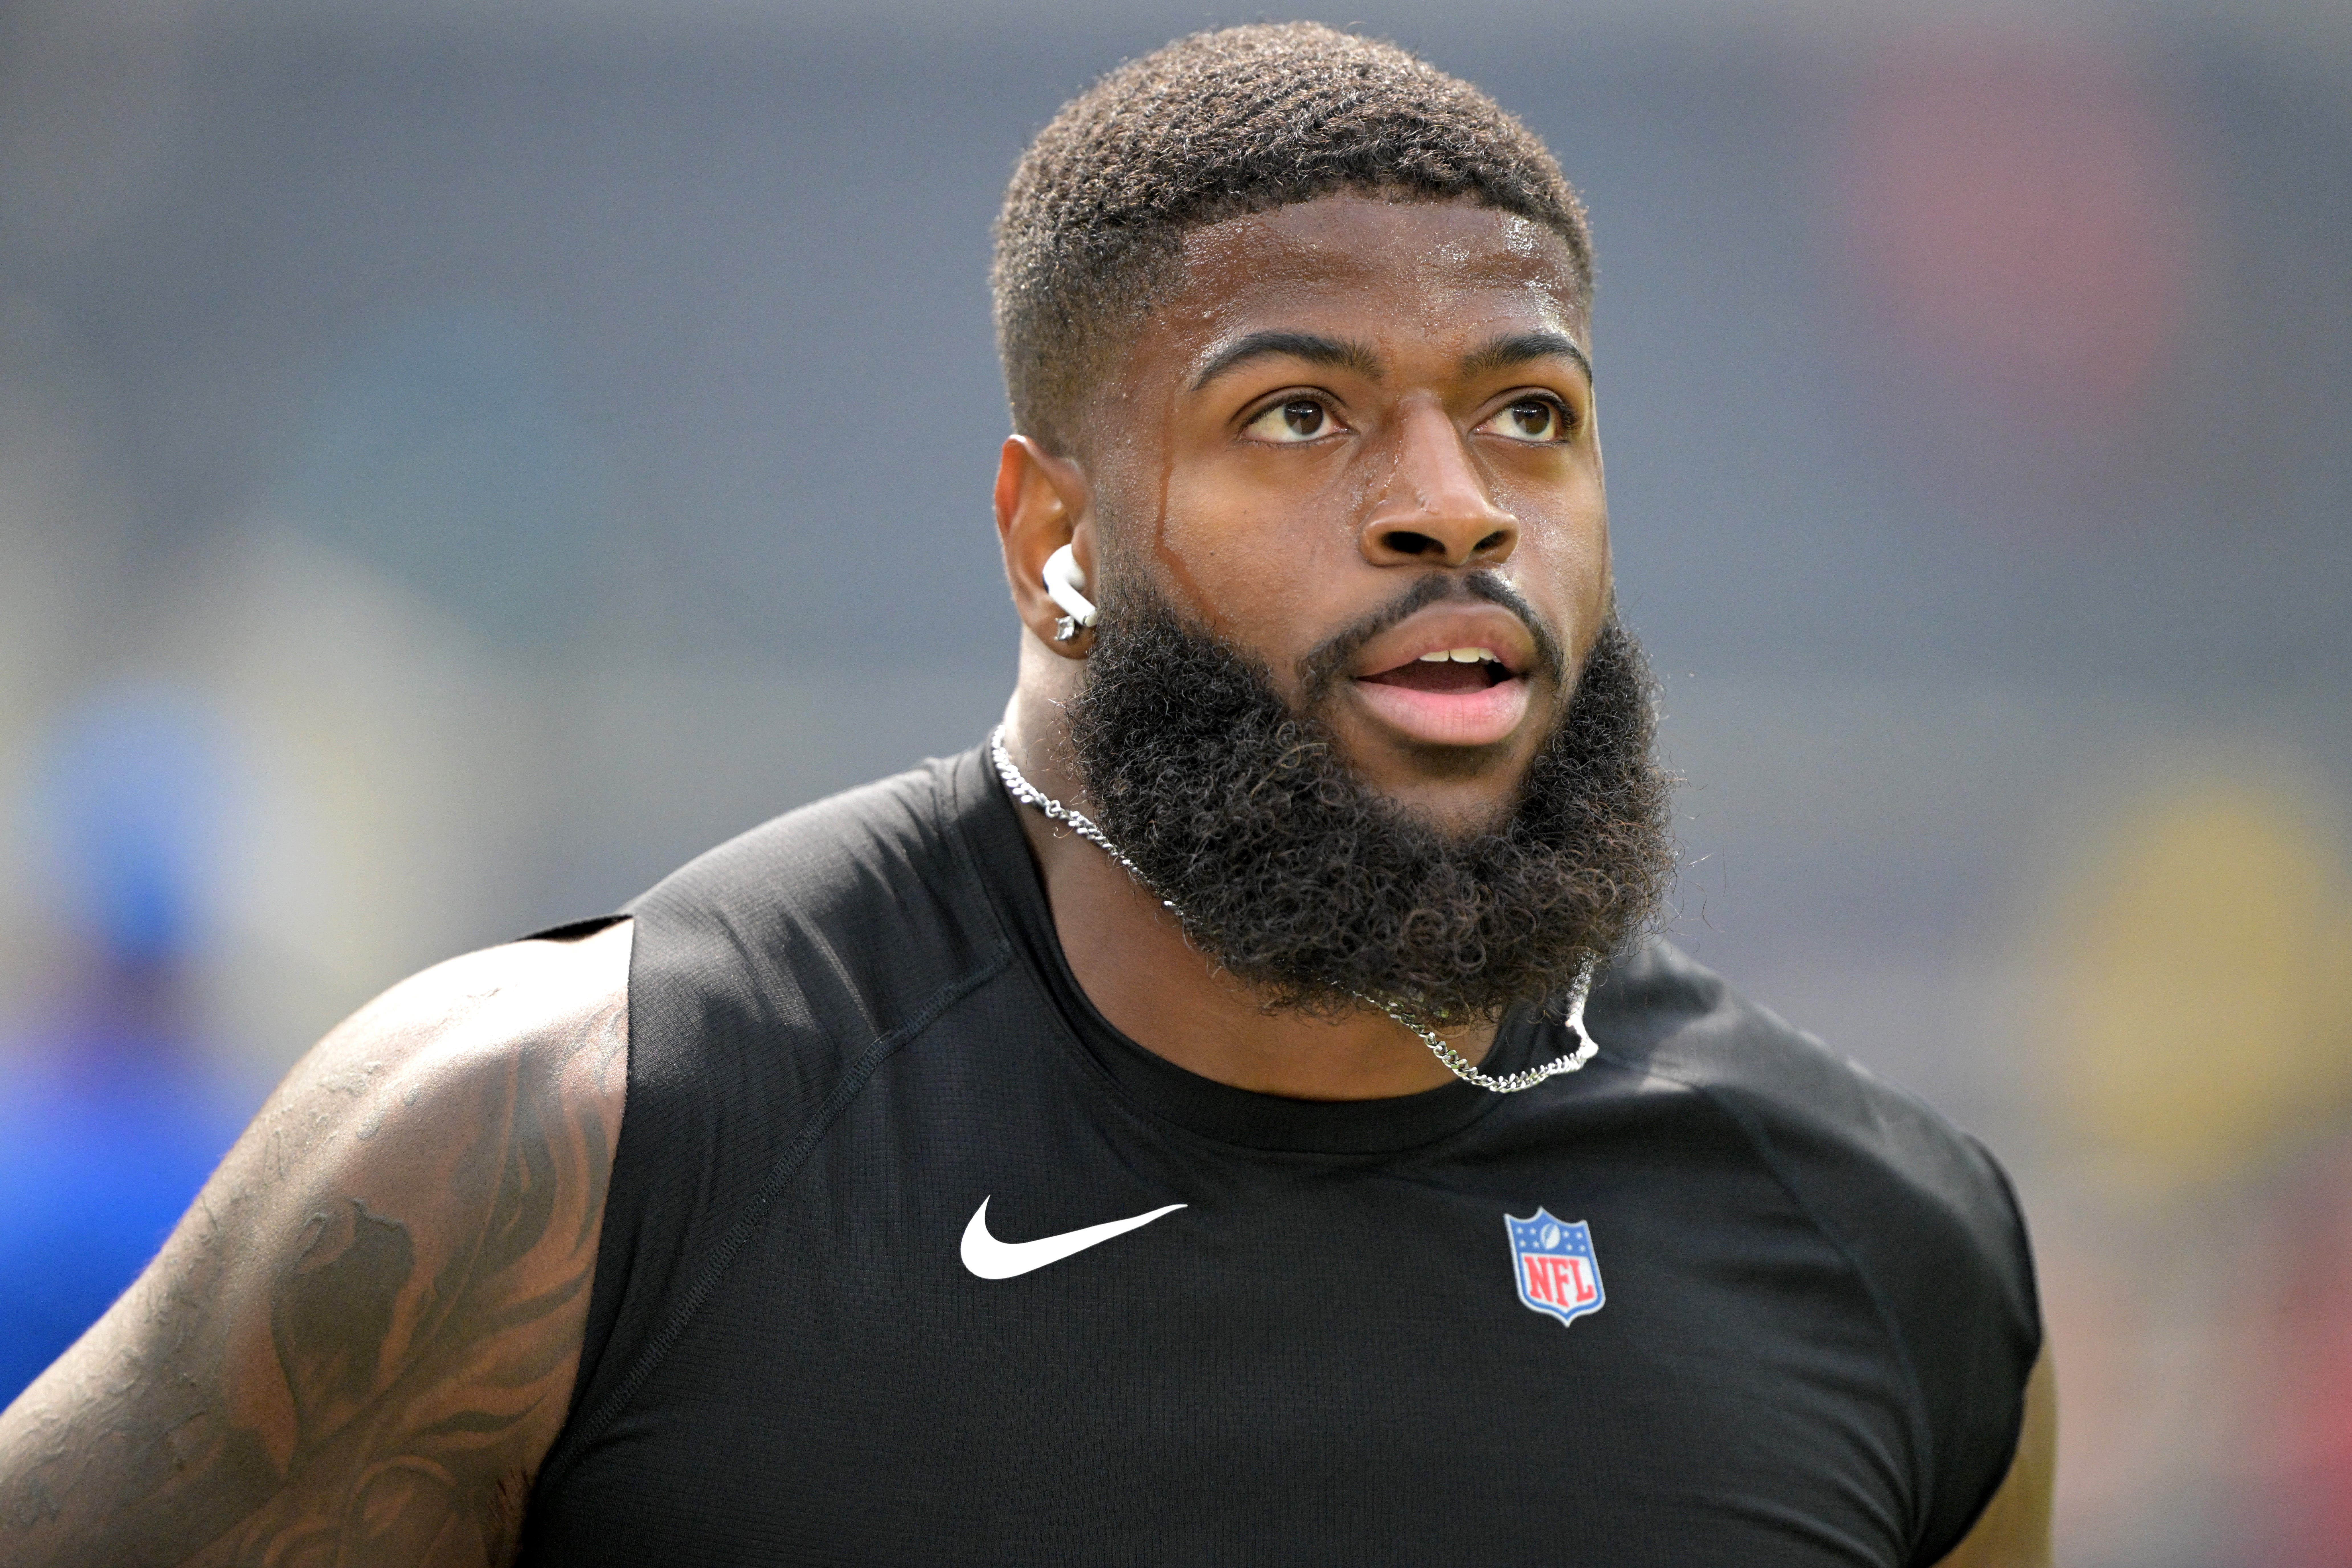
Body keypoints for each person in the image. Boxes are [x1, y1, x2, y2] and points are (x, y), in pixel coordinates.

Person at [0, 23, 2051, 1565]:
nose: (1452, 508)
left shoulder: (1891, 1251)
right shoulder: (555, 1158)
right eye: (1300, 414)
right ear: (1048, 534)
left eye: (1531, 416)